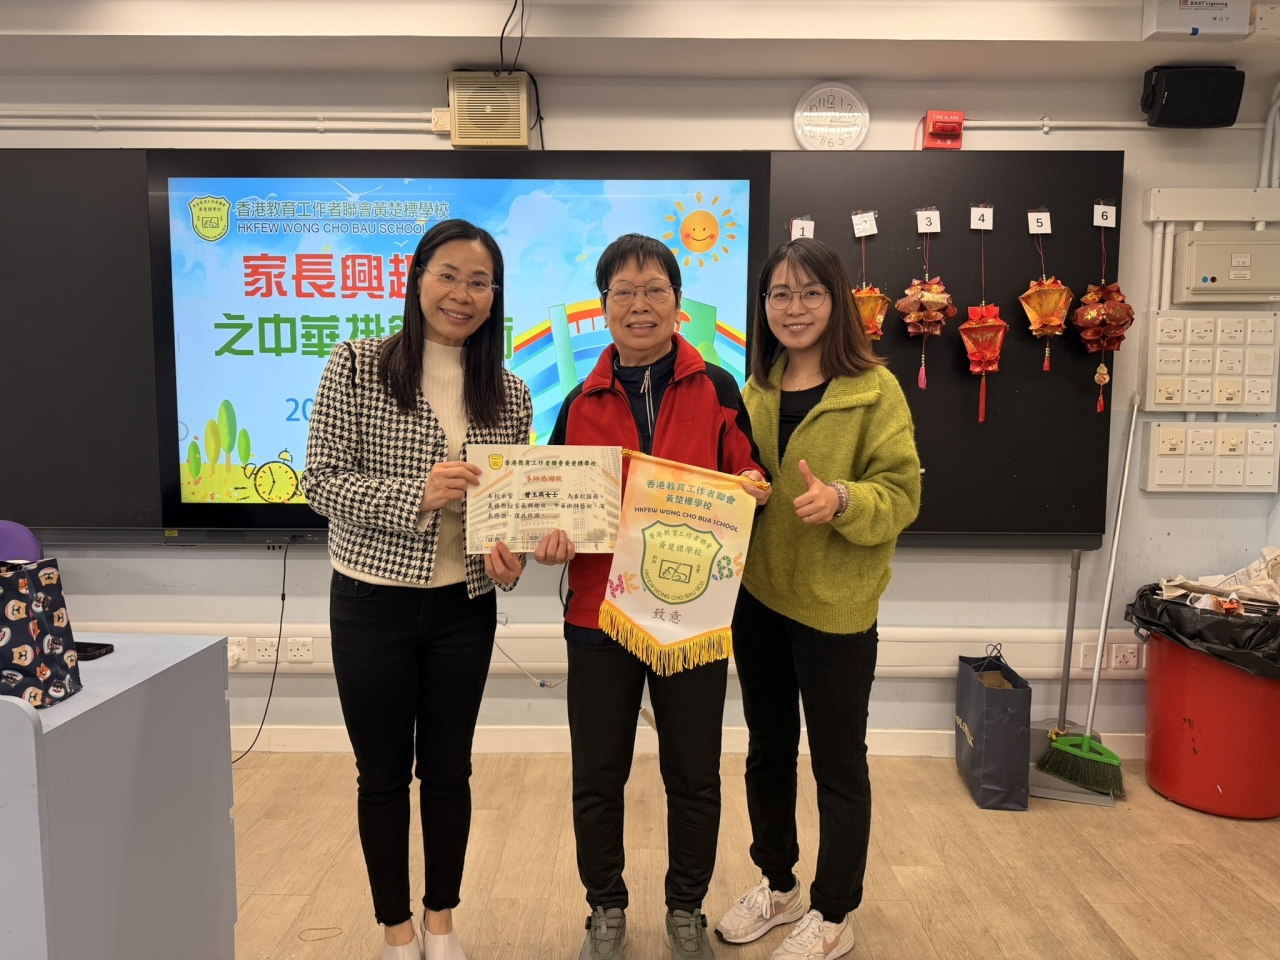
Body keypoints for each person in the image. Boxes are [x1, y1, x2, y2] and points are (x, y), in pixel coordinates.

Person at [301, 219, 532, 960]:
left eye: (479, 282)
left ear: (495, 297)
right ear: (417, 279)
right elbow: (319, 482)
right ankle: (396, 931)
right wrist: (416, 494)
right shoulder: (356, 364)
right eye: (448, 275)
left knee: (449, 771)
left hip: (465, 607)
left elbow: (511, 515)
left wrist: (511, 560)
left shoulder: (511, 392)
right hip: (371, 602)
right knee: (381, 776)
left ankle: (440, 923)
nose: (462, 294)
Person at [534, 233, 768, 960]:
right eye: (624, 292)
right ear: (603, 308)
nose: (640, 305)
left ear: (677, 303)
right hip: (598, 615)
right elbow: (551, 504)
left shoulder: (719, 387)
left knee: (693, 775)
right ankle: (604, 908)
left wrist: (753, 489)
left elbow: (749, 473)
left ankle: (686, 909)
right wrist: (550, 536)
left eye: (655, 290)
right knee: (597, 774)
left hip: (691, 615)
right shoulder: (576, 403)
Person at [714, 238, 920, 960]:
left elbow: (902, 494)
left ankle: (834, 912)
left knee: (838, 762)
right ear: (763, 306)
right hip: (760, 599)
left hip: (837, 607)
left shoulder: (875, 390)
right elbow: (741, 472)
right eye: (779, 294)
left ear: (836, 303)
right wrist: (743, 485)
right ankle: (779, 886)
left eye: (810, 293)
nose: (793, 308)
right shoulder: (757, 387)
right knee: (767, 751)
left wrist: (842, 499)